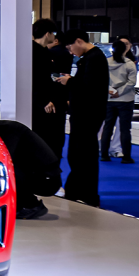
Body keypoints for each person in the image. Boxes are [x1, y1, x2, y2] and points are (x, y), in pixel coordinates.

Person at [56, 30, 109, 206]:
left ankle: (85, 194)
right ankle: (78, 191)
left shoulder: (94, 58)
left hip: (87, 115)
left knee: (83, 155)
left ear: (78, 41)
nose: (71, 52)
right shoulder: (91, 57)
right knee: (79, 154)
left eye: (70, 47)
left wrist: (69, 82)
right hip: (84, 114)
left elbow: (89, 87)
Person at [31, 19, 67, 161]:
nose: (55, 36)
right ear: (47, 34)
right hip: (43, 105)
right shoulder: (35, 52)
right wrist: (43, 101)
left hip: (49, 102)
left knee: (53, 142)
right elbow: (34, 79)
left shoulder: (44, 51)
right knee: (47, 142)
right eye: (53, 33)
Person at [100, 36, 136, 164]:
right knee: (125, 129)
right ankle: (126, 157)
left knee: (107, 127)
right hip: (126, 100)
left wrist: (111, 91)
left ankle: (104, 154)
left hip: (109, 99)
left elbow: (101, 80)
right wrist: (119, 92)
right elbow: (131, 83)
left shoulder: (105, 62)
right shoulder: (130, 64)